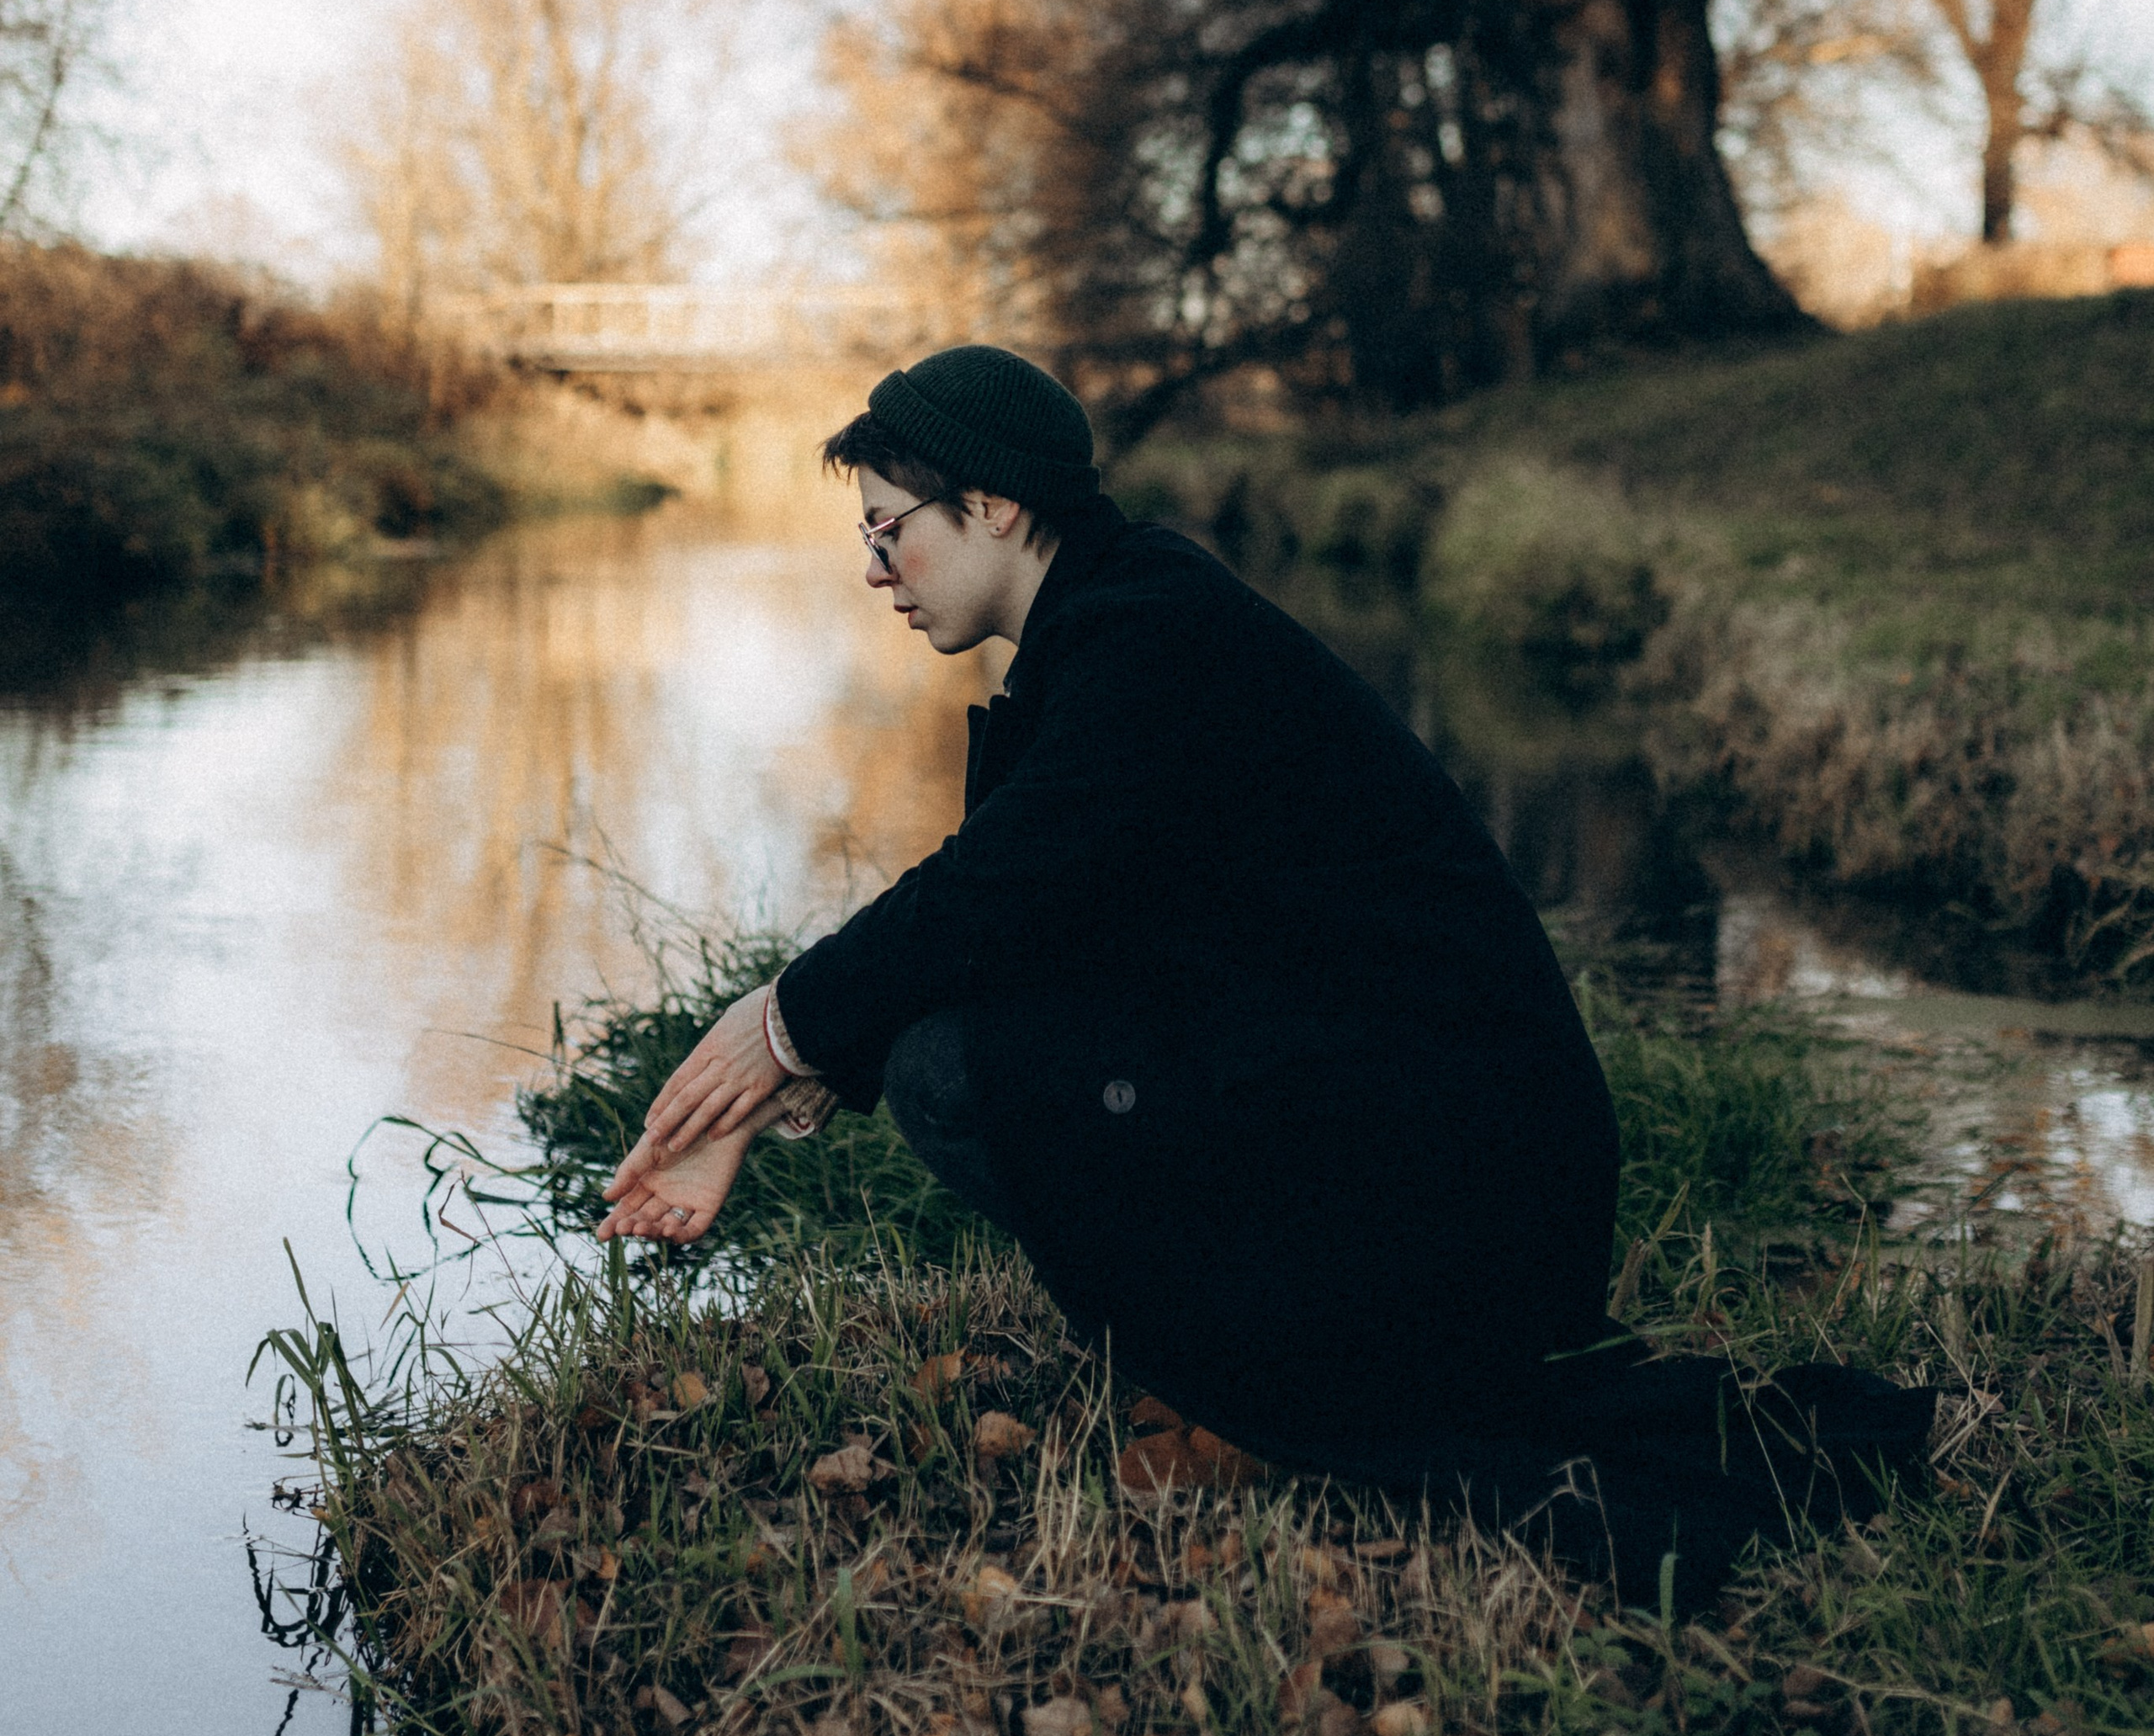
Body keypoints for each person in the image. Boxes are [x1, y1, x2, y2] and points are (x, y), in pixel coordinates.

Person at [600, 346, 1928, 1601]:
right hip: (1416, 1144)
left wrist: (773, 1030)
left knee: (958, 1064)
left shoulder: (1147, 644)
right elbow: (1022, 917)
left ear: (994, 506)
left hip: (1462, 1192)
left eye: (891, 527)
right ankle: (1230, 1364)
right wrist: (784, 1085)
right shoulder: (1119, 618)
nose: (877, 566)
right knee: (966, 1030)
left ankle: (1263, 1396)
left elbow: (987, 893)